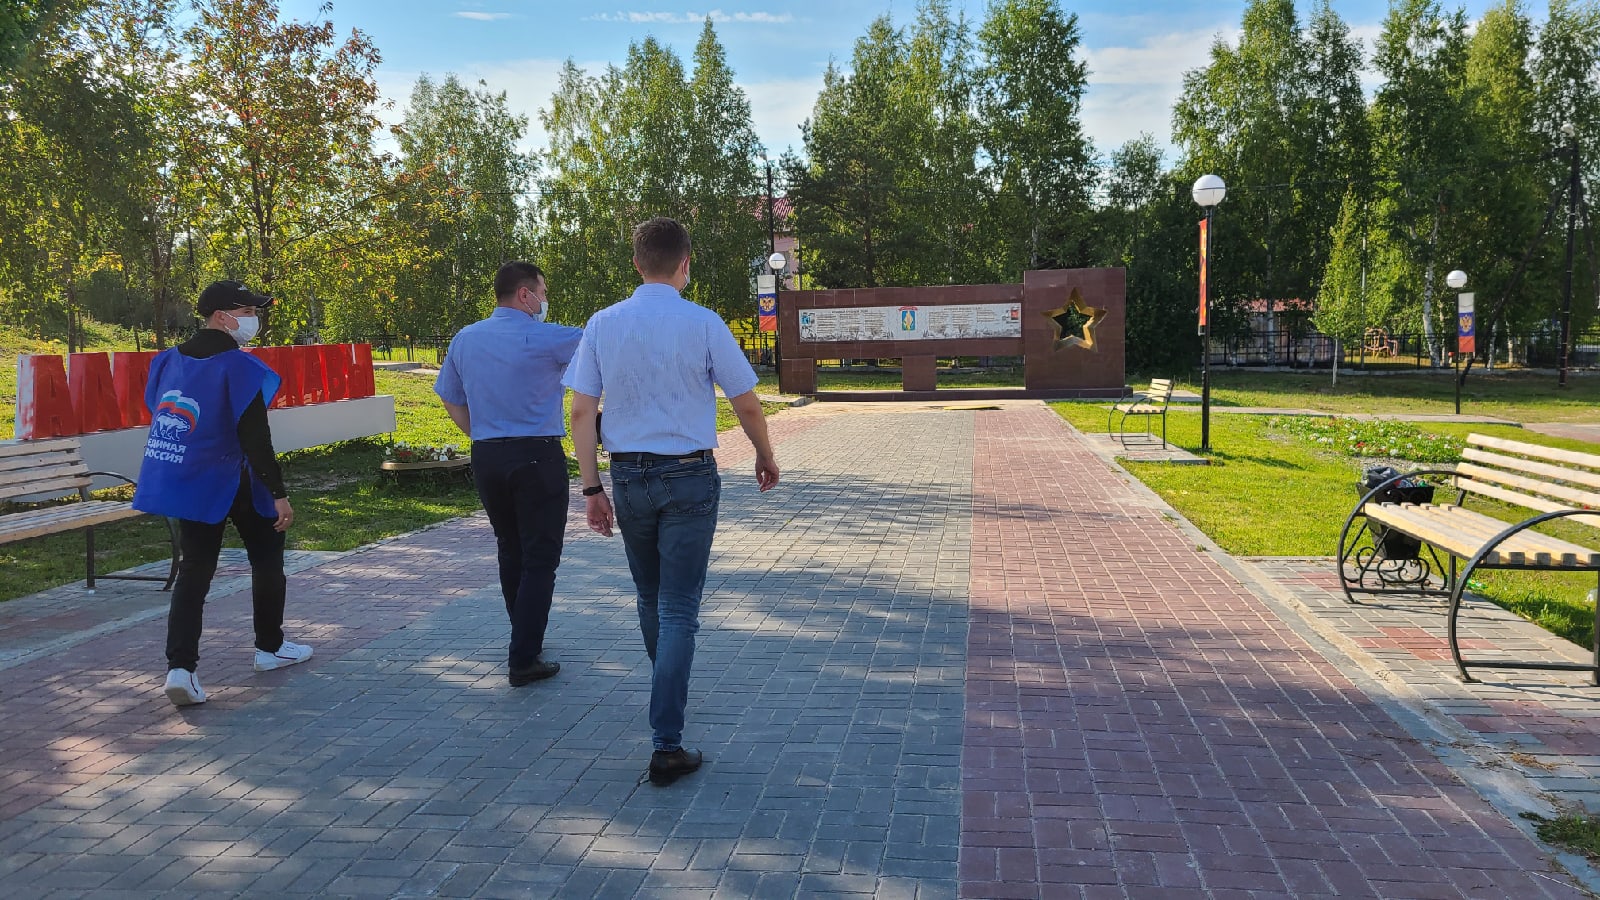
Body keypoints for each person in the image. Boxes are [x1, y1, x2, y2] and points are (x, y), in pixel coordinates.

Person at [564, 217, 780, 786]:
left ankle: (668, 689)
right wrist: (764, 455)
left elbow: (581, 412)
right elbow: (746, 402)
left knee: (650, 595)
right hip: (689, 475)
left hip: (628, 476)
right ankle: (667, 739)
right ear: (686, 263)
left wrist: (591, 488)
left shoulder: (603, 324)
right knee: (679, 607)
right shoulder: (704, 322)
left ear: (637, 263)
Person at [133, 280, 310, 708]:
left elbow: (156, 409)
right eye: (248, 312)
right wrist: (278, 492)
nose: (254, 319)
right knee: (266, 558)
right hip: (239, 478)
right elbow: (255, 437)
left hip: (190, 481)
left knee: (194, 570)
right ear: (221, 316)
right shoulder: (240, 367)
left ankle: (181, 670)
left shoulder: (166, 361)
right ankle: (270, 648)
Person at [435, 261, 584, 686]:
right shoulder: (549, 337)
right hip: (536, 455)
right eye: (543, 292)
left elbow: (449, 396)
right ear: (525, 294)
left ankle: (524, 635)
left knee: (510, 547)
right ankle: (523, 656)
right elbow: (602, 349)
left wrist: (479, 432)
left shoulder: (465, 338)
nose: (544, 300)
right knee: (540, 557)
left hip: (487, 456)